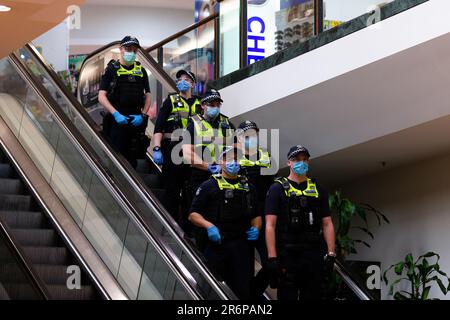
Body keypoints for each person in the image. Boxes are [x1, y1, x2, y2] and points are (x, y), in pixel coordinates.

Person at [188, 146, 261, 299]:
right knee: (209, 289)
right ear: (221, 161)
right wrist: (209, 226)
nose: (233, 162)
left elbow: (256, 215)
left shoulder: (249, 187)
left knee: (241, 290)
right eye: (229, 159)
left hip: (242, 246)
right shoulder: (209, 186)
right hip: (217, 244)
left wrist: (256, 228)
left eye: (236, 159)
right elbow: (193, 214)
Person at [265, 145, 336, 300]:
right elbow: (270, 225)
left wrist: (330, 253)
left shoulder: (318, 189)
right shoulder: (277, 189)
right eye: (296, 159)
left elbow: (327, 223)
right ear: (288, 162)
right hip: (287, 254)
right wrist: (272, 257)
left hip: (313, 253)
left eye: (304, 159)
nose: (301, 163)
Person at [152, 70, 201, 222]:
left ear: (192, 84)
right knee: (172, 190)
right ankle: (170, 224)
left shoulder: (201, 104)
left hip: (194, 151)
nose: (182, 81)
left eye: (186, 79)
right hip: (173, 149)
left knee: (191, 191)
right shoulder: (171, 101)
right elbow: (158, 127)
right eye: (179, 79)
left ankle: (189, 226)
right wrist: (157, 148)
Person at [235, 120, 275, 299]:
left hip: (263, 217)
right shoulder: (232, 157)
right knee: (242, 268)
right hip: (240, 219)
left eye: (254, 134)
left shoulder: (265, 156)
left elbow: (272, 187)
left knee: (271, 265)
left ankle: (252, 295)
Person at [98, 36, 151, 168]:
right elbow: (101, 96)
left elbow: (148, 96)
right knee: (115, 159)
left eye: (134, 50)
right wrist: (115, 114)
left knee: (132, 159)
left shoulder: (141, 71)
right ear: (121, 49)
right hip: (117, 119)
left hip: (135, 120)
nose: (131, 52)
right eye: (128, 48)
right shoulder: (111, 69)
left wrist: (143, 115)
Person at [182, 89, 235, 197]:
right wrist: (208, 166)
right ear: (203, 105)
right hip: (200, 176)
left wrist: (230, 164)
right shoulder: (194, 124)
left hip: (224, 177)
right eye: (211, 104)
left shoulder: (227, 124)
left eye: (217, 105)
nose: (215, 108)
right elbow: (187, 154)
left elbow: (237, 147)